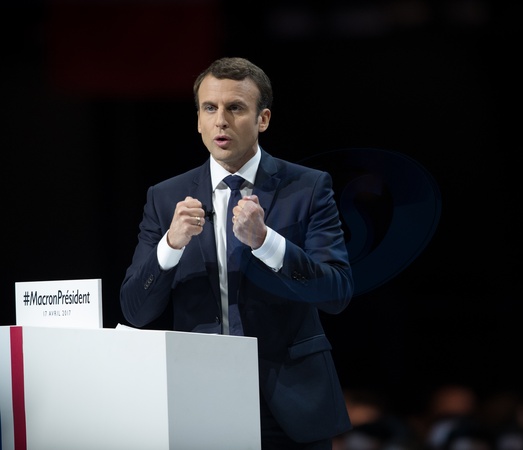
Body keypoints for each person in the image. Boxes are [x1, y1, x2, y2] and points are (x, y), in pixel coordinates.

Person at [119, 56, 354, 449]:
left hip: (288, 404)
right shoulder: (165, 197)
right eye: (209, 108)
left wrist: (267, 242)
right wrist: (170, 246)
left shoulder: (308, 188)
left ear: (263, 119)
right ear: (198, 120)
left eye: (235, 108)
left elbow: (336, 293)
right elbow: (135, 310)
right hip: (200, 400)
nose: (221, 121)